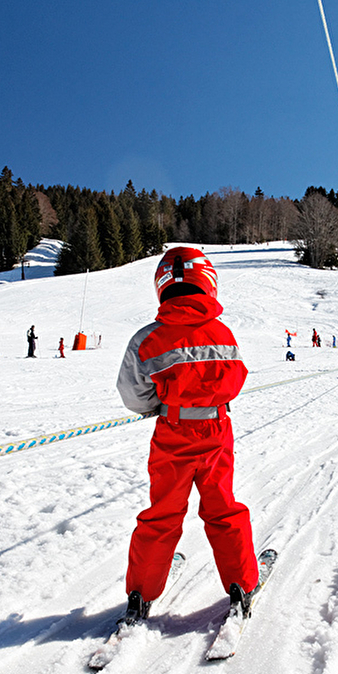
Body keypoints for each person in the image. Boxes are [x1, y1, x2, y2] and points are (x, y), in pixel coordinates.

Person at [117, 245, 257, 625]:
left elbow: (133, 395)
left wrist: (163, 403)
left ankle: (141, 593)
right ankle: (242, 584)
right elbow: (235, 380)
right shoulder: (223, 334)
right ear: (207, 281)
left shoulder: (148, 339)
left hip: (172, 432)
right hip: (216, 430)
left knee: (162, 512)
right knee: (222, 508)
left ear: (162, 285)